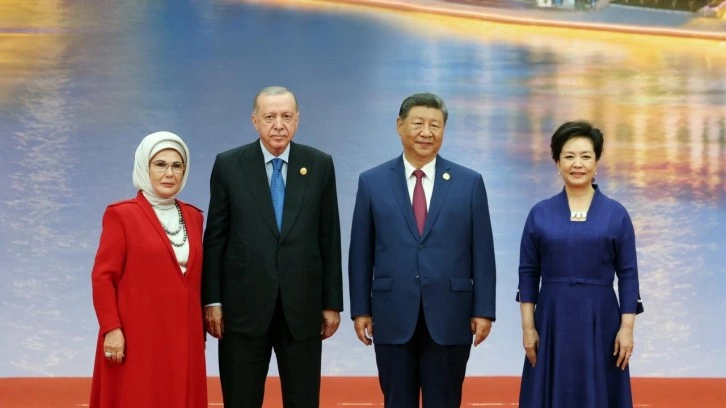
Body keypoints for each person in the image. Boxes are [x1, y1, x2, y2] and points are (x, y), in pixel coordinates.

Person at [348, 92, 497, 408]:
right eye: (418, 124)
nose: (426, 133)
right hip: (392, 314)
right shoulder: (372, 182)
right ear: (399, 125)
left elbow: (483, 252)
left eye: (435, 125)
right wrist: (360, 309)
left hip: (450, 315)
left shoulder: (469, 182)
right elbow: (360, 253)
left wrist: (484, 310)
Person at [202, 86, 343, 407]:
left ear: (298, 120)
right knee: (241, 399)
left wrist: (331, 303)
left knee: (303, 400)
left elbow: (329, 236)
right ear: (255, 121)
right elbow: (216, 238)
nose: (278, 125)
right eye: (270, 117)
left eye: (286, 116)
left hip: (302, 309)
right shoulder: (229, 165)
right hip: (243, 310)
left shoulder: (319, 164)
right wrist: (213, 300)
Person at [517, 120, 644, 407]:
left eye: (586, 156)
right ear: (557, 162)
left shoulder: (616, 213)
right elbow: (528, 273)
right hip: (552, 316)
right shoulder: (540, 213)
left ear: (596, 162)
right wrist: (528, 327)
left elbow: (628, 275)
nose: (578, 164)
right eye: (569, 156)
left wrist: (627, 329)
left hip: (602, 317)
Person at [89, 131, 207, 407]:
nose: (169, 173)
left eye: (177, 166)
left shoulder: (194, 216)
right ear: (144, 166)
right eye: (160, 164)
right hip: (136, 334)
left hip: (183, 335)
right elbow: (103, 277)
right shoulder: (121, 214)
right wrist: (111, 329)